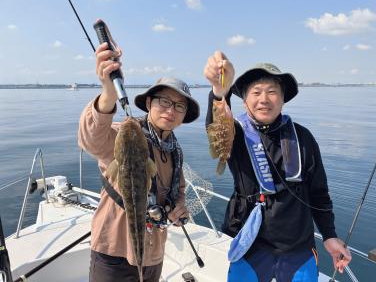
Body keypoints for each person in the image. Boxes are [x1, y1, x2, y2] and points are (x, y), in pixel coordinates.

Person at [204, 51, 351, 281]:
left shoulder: (302, 137)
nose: (264, 99)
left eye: (272, 92)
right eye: (256, 92)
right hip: (249, 245)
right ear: (244, 100)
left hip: (298, 247)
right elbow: (217, 130)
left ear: (283, 99)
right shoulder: (237, 133)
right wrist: (218, 92)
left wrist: (330, 236)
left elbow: (319, 193)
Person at [78, 41, 200, 281]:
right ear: (148, 103)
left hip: (153, 252)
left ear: (184, 115)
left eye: (179, 106)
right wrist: (108, 93)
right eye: (164, 101)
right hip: (114, 249)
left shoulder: (175, 150)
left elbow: (179, 190)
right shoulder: (121, 133)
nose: (170, 110)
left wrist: (178, 208)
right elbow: (92, 139)